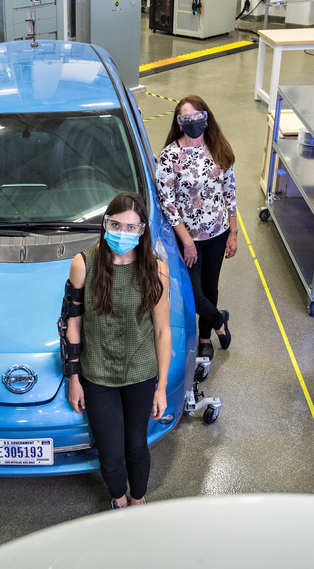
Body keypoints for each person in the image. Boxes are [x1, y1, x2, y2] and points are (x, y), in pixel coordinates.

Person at [64, 192, 172, 510]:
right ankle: (119, 500)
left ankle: (137, 501)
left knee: (136, 445)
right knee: (110, 452)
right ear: (105, 223)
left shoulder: (157, 271)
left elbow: (163, 332)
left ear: (142, 232)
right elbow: (72, 324)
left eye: (131, 227)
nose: (122, 233)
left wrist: (162, 387)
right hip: (97, 374)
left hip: (140, 372)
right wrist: (74, 379)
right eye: (116, 224)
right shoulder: (83, 264)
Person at [155, 95, 237, 361]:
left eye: (197, 117)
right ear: (179, 123)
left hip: (218, 232)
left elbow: (230, 194)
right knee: (194, 293)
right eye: (185, 118)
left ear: (206, 118)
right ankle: (219, 322)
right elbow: (167, 203)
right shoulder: (169, 156)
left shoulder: (219, 149)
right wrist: (187, 241)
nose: (192, 122)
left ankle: (205, 339)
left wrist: (233, 232)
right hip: (186, 237)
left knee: (210, 287)